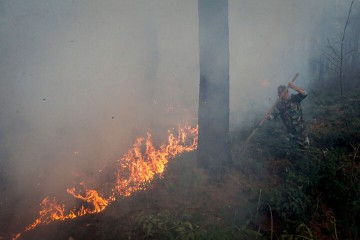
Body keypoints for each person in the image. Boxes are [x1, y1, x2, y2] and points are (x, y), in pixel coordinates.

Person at [266, 82, 309, 149]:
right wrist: (269, 116)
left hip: (300, 130)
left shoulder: (294, 98)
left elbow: (304, 93)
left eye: (282, 92)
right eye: (279, 93)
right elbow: (274, 115)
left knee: (304, 148)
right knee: (293, 150)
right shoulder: (279, 104)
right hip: (290, 132)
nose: (280, 95)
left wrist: (293, 87)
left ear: (287, 92)